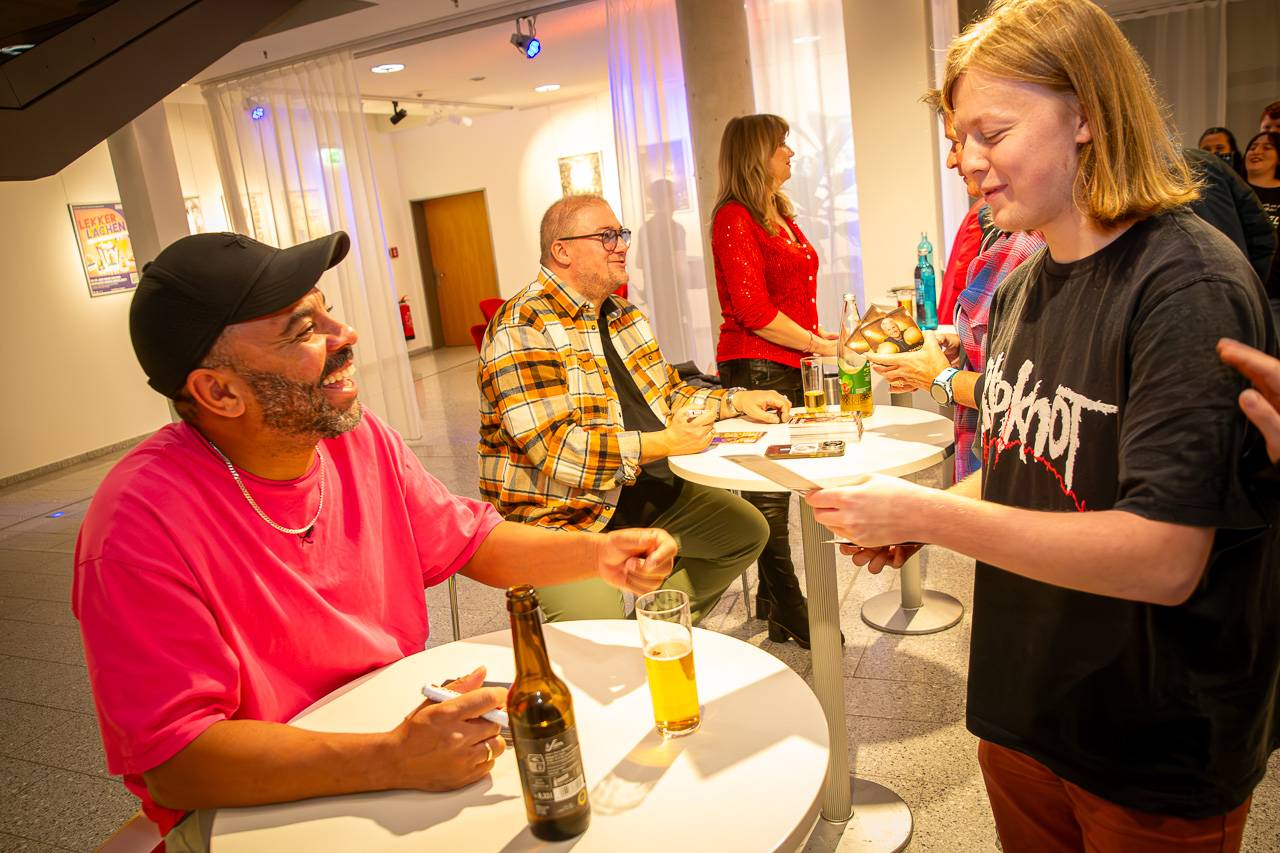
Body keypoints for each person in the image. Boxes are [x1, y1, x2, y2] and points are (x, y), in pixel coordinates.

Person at [807, 1, 1278, 850]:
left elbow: (1164, 557)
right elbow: (1026, 463)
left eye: (991, 132)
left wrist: (926, 510)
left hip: (1151, 742)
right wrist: (927, 519)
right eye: (959, 139)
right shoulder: (1024, 288)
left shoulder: (1186, 284)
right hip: (1026, 707)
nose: (966, 161)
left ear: (1087, 112)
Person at [72, 231, 680, 848]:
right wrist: (391, 758)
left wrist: (597, 554)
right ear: (220, 392)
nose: (346, 334)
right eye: (303, 329)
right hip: (251, 810)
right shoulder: (139, 523)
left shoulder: (354, 439)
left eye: (327, 310)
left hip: (387, 737)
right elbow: (178, 763)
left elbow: (470, 541)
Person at [478, 195, 780, 624]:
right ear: (562, 251)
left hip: (640, 490)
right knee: (600, 636)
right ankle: (627, 646)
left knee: (746, 532)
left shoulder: (624, 315)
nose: (621, 245)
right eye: (606, 236)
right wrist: (666, 443)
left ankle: (654, 631)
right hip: (563, 518)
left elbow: (668, 395)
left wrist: (734, 401)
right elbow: (558, 450)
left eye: (621, 234)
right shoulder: (522, 325)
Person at [708, 113, 837, 648]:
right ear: (755, 155)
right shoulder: (734, 217)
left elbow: (788, 298)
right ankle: (790, 604)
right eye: (780, 144)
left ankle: (769, 598)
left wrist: (818, 337)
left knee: (783, 486)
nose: (790, 152)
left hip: (789, 362)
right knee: (768, 498)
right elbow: (754, 312)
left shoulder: (777, 213)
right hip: (756, 368)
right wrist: (819, 345)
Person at [868, 92, 1045, 481]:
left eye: (958, 143)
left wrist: (939, 377)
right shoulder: (1003, 234)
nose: (956, 161)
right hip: (987, 463)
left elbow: (1032, 399)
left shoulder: (1033, 247)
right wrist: (963, 347)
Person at [1184, 146, 1276, 283]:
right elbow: (1262, 234)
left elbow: (1261, 233)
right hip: (1235, 281)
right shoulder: (1207, 162)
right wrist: (1250, 284)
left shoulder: (1205, 163)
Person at [1245, 131, 1280, 315]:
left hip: (1274, 295)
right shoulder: (1230, 191)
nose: (1257, 151)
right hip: (1239, 287)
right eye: (1252, 147)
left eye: (1267, 147)